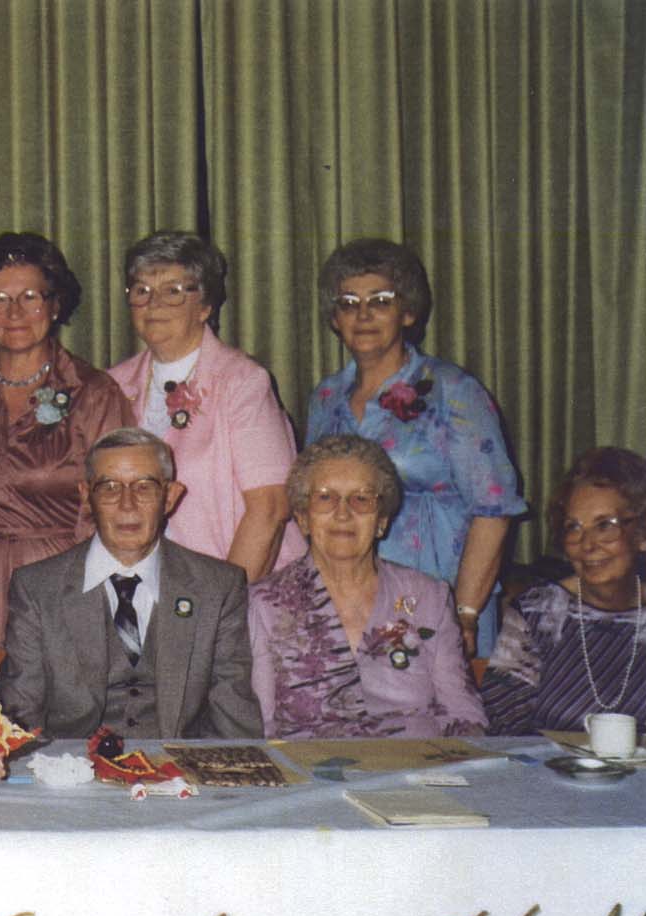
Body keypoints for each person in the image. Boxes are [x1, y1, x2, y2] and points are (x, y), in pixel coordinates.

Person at [306, 239, 525, 656]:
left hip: (440, 602)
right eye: (349, 303)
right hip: (347, 605)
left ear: (407, 312)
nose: (363, 315)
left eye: (380, 301)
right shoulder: (326, 398)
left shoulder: (452, 390)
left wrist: (464, 614)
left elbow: (493, 512)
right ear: (335, 318)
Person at [0, 427, 260, 740]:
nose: (127, 504)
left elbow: (232, 717)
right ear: (86, 496)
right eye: (109, 487)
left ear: (170, 496)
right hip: (70, 764)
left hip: (178, 764)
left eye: (144, 487)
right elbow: (20, 720)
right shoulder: (37, 588)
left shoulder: (217, 587)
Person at [0, 232, 135, 651]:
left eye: (30, 297)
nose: (14, 312)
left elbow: (113, 502)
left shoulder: (93, 392)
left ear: (55, 305)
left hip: (62, 576)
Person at [248, 435, 485, 738]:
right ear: (303, 518)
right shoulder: (265, 604)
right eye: (325, 498)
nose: (343, 513)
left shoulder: (429, 597)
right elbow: (261, 725)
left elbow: (462, 712)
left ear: (382, 520)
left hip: (417, 763)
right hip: (309, 765)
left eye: (361, 499)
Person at [108, 231, 301, 585]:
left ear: (205, 306)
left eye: (173, 291)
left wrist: (224, 602)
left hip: (235, 584)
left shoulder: (242, 383)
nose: (154, 304)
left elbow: (270, 507)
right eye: (141, 290)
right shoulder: (113, 385)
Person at [482, 448, 646, 733]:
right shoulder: (538, 612)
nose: (587, 544)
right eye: (574, 527)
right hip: (543, 759)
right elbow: (502, 717)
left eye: (604, 525)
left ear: (641, 535)